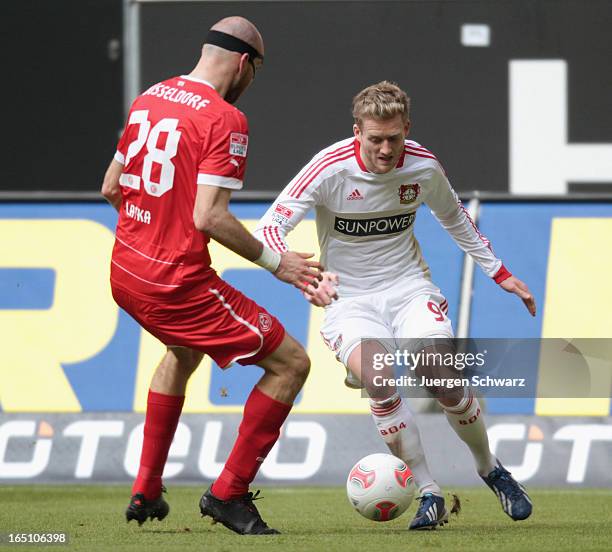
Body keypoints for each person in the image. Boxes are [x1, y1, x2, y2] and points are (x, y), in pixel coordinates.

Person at [254, 81, 536, 530]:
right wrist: (300, 273)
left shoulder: (423, 167)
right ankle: (428, 492)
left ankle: (490, 468)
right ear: (357, 132)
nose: (386, 150)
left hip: (408, 287)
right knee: (380, 378)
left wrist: (499, 273)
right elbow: (269, 229)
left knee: (440, 375)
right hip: (350, 299)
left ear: (407, 128)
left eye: (394, 138)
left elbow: (456, 218)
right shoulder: (328, 168)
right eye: (375, 139)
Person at [101, 16, 323, 536]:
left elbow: (112, 187)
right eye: (255, 74)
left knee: (183, 349)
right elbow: (210, 217)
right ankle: (229, 494)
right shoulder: (225, 119)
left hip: (125, 270)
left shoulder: (150, 97)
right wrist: (279, 263)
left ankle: (147, 489)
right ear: (245, 64)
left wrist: (151, 233)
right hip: (173, 282)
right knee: (291, 364)